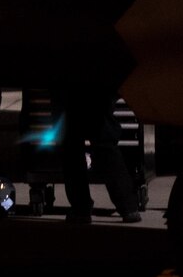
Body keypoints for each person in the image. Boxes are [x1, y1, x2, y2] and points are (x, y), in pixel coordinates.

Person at [56, 87, 140, 224]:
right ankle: (128, 206)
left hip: (69, 81)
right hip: (99, 81)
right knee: (104, 140)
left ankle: (80, 208)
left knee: (71, 145)